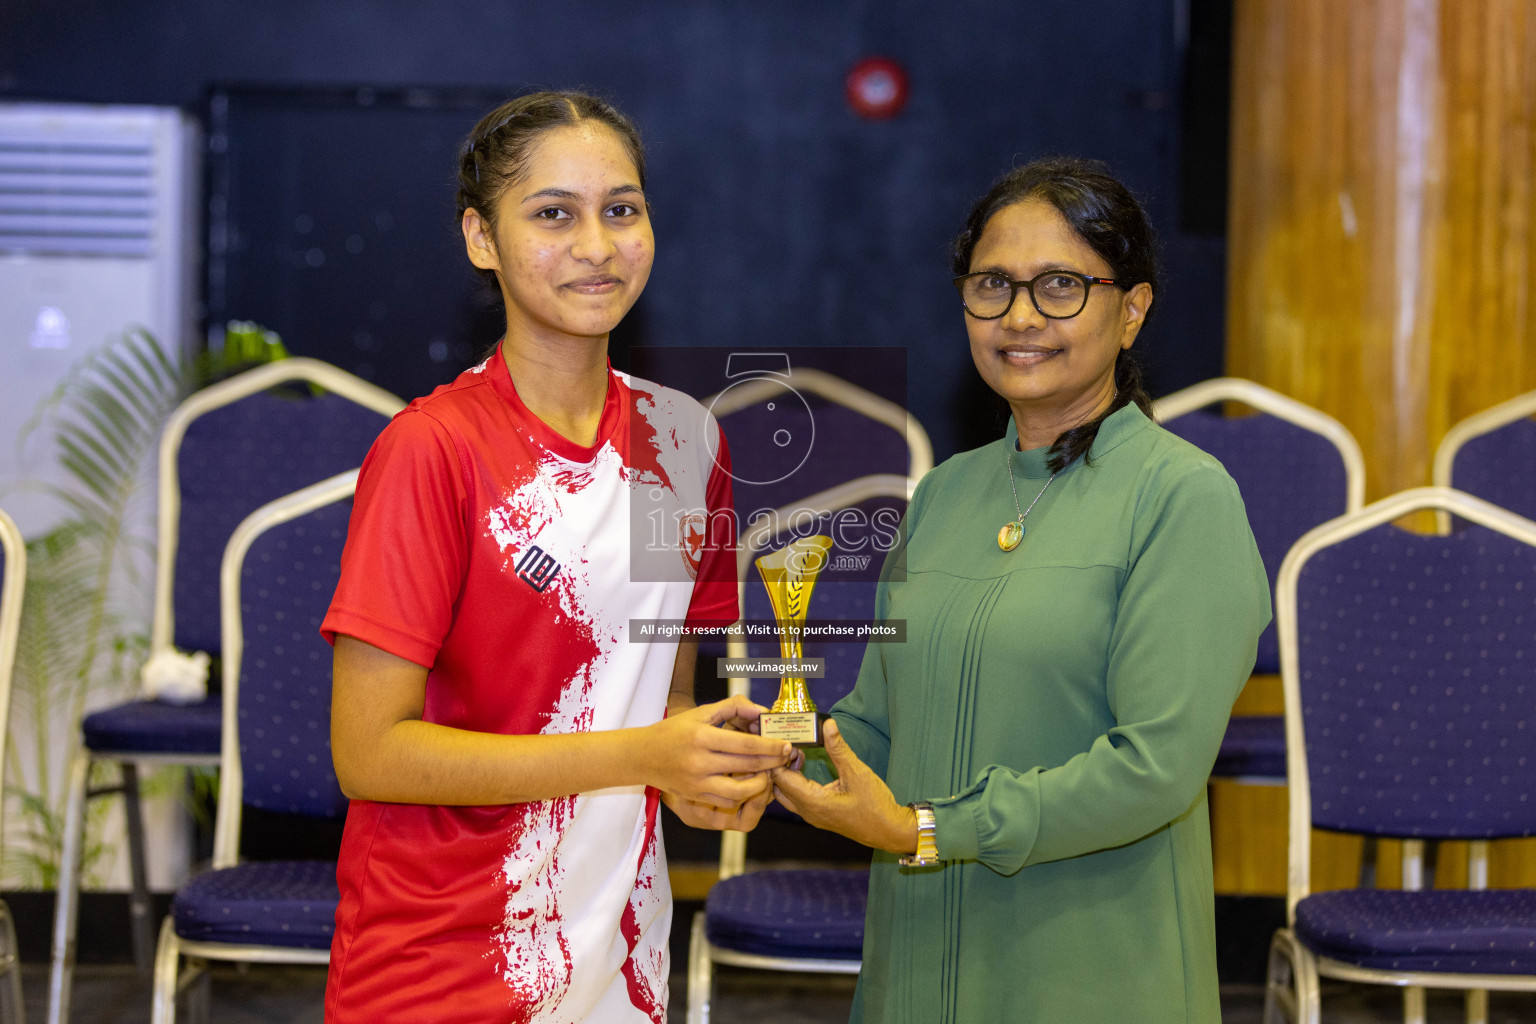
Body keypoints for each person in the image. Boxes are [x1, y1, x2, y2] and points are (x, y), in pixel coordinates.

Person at [321, 91, 792, 1023]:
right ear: (479, 239)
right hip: (442, 954)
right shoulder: (430, 450)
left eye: (622, 208)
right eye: (552, 213)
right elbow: (368, 753)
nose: (597, 244)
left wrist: (699, 772)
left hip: (619, 950)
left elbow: (662, 697)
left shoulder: (686, 440)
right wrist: (645, 752)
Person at [772, 157, 1271, 1023]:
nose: (1022, 316)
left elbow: (1154, 768)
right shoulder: (945, 493)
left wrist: (930, 829)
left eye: (1062, 286)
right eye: (993, 285)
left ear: (1133, 310)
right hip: (915, 967)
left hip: (1090, 973)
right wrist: (775, 755)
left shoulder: (1182, 497)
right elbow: (878, 724)